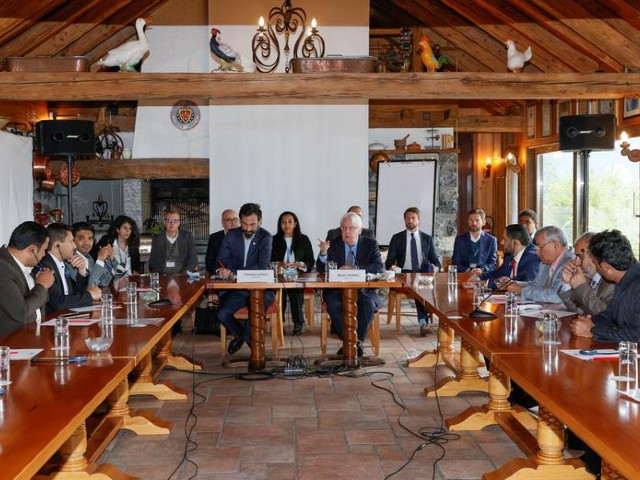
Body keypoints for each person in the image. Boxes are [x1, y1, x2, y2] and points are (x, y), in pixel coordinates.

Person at [317, 212, 384, 357]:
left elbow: (379, 268)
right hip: (337, 291)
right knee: (333, 304)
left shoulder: (370, 244)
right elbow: (322, 270)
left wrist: (355, 268)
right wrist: (323, 253)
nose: (346, 232)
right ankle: (353, 342)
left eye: (351, 228)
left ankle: (353, 342)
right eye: (343, 228)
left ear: (359, 230)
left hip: (364, 290)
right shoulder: (334, 244)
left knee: (368, 305)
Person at [216, 203, 274, 354]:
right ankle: (243, 337)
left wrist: (235, 274)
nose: (248, 228)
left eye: (253, 224)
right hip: (237, 289)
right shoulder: (231, 234)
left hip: (260, 289)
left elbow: (261, 266)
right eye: (245, 224)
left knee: (255, 307)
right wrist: (221, 269)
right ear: (240, 221)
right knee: (221, 313)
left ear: (260, 222)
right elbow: (221, 258)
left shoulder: (265, 237)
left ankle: (253, 348)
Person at [570, 230, 639, 342]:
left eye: (594, 262)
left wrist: (592, 331)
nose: (596, 268)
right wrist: (590, 322)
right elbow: (609, 315)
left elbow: (637, 334)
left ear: (606, 267)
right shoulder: (624, 280)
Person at [385, 207, 441, 336]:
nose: (410, 221)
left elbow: (436, 261)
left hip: (423, 273)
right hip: (405, 273)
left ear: (419, 220)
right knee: (418, 287)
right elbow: (389, 261)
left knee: (420, 281)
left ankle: (423, 322)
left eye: (413, 218)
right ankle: (423, 323)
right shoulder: (397, 238)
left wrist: (435, 267)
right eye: (407, 218)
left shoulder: (427, 239)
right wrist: (391, 267)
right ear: (404, 220)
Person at [0, 221, 54, 337]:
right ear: (32, 250)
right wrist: (42, 286)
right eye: (44, 249)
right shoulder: (2, 267)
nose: (44, 255)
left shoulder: (23, 265)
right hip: (11, 344)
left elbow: (38, 307)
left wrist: (41, 285)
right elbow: (21, 312)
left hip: (33, 337)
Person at [41, 224, 102, 314]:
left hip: (67, 317)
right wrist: (90, 295)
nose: (74, 246)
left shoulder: (62, 263)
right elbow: (59, 303)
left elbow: (74, 296)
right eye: (71, 241)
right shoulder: (45, 266)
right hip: (52, 321)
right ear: (57, 245)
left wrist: (81, 272)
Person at [271, 211, 315, 335]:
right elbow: (267, 260)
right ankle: (280, 322)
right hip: (279, 275)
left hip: (297, 274)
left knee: (295, 288)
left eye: (290, 222)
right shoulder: (274, 240)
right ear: (280, 225)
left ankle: (298, 322)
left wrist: (300, 264)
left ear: (295, 224)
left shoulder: (304, 239)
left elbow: (310, 260)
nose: (287, 225)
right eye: (283, 222)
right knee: (281, 290)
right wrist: (278, 264)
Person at [506, 225, 574, 304]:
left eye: (540, 247)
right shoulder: (546, 262)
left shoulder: (570, 263)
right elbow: (536, 285)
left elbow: (556, 296)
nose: (537, 251)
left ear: (555, 244)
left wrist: (521, 290)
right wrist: (513, 283)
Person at [558, 232, 615, 315]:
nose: (576, 263)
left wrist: (581, 287)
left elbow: (605, 316)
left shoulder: (611, 282)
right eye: (575, 257)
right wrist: (567, 284)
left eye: (580, 256)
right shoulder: (588, 278)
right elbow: (579, 312)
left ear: (594, 256)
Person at [480, 224, 540, 289]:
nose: (501, 242)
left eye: (504, 239)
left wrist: (486, 283)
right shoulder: (510, 256)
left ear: (515, 242)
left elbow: (523, 285)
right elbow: (498, 273)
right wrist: (478, 277)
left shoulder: (532, 258)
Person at [149, 209, 198, 274]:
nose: (172, 223)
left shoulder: (187, 237)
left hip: (183, 275)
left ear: (179, 223)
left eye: (175, 221)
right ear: (164, 223)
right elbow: (153, 263)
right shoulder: (157, 239)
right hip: (163, 276)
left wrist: (181, 275)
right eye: (169, 220)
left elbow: (193, 260)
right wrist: (163, 276)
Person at [451, 209, 498, 274]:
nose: (474, 223)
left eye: (477, 220)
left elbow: (492, 263)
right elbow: (456, 262)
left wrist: (481, 269)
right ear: (468, 221)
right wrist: (467, 270)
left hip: (483, 275)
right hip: (464, 274)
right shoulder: (460, 240)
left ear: (483, 222)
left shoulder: (491, 240)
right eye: (471, 220)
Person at [70, 222, 115, 287]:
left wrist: (111, 260)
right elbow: (90, 288)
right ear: (73, 240)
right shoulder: (71, 260)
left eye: (90, 238)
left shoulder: (89, 257)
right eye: (81, 238)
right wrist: (100, 260)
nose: (87, 243)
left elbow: (103, 282)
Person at [205, 209, 239, 275]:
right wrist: (218, 271)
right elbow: (209, 261)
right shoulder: (214, 238)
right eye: (229, 220)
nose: (233, 223)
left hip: (240, 277)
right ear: (222, 222)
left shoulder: (245, 236)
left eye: (235, 219)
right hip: (221, 277)